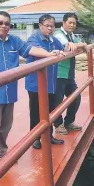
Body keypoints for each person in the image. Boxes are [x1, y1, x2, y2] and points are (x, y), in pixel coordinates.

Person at [0, 11, 60, 169]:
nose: (4, 26)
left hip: (9, 92)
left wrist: (49, 54)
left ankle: (3, 153)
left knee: (5, 126)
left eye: (7, 24)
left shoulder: (14, 41)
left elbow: (30, 50)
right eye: (0, 23)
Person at [25, 14, 66, 149]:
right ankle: (35, 138)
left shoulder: (53, 40)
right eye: (47, 26)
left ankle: (49, 136)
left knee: (49, 111)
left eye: (52, 26)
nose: (49, 28)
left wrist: (70, 45)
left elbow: (63, 47)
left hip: (51, 83)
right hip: (36, 84)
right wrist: (50, 54)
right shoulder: (34, 38)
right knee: (36, 112)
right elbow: (35, 51)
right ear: (40, 26)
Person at [53, 13, 87, 135]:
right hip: (58, 72)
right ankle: (58, 125)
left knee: (75, 97)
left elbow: (76, 45)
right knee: (57, 100)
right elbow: (66, 46)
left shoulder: (71, 35)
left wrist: (80, 45)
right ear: (63, 23)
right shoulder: (58, 34)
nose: (72, 25)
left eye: (74, 23)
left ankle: (68, 122)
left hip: (68, 74)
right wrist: (82, 45)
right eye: (70, 22)